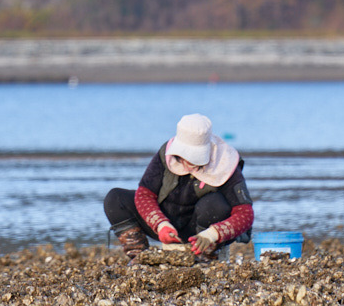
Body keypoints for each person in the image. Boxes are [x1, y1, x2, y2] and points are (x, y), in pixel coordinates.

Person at [104, 113, 254, 264]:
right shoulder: (165, 154)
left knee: (215, 204)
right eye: (183, 157)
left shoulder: (225, 163)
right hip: (168, 223)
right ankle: (141, 258)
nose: (187, 163)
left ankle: (206, 256)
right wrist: (160, 224)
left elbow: (245, 214)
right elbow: (144, 194)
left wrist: (212, 234)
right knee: (115, 198)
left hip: (204, 230)